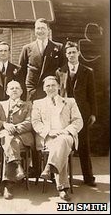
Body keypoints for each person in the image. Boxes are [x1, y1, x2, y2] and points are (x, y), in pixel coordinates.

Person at [32, 76, 83, 201]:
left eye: (53, 85)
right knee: (61, 147)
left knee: (62, 141)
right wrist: (49, 132)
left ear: (59, 87)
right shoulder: (38, 103)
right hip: (48, 138)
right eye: (48, 86)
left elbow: (78, 121)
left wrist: (65, 131)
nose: (51, 88)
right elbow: (35, 122)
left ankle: (49, 167)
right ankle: (62, 188)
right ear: (44, 89)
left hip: (67, 135)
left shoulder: (70, 101)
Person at [56, 41, 97, 186]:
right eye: (69, 53)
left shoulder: (87, 71)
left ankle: (88, 177)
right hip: (65, 114)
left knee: (84, 145)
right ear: (65, 55)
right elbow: (59, 94)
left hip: (83, 114)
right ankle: (64, 178)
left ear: (78, 53)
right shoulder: (60, 71)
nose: (71, 55)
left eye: (74, 52)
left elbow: (92, 94)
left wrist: (93, 113)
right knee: (65, 144)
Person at [0, 81, 34, 199]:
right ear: (7, 91)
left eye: (17, 88)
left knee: (7, 145)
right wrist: (4, 124)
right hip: (4, 133)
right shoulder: (0, 104)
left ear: (21, 91)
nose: (14, 90)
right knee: (8, 140)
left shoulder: (28, 105)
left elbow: (30, 122)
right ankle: (16, 168)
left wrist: (14, 128)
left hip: (22, 136)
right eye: (12, 88)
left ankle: (7, 185)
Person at [18, 18, 65, 101]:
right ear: (34, 30)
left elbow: (63, 70)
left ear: (48, 30)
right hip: (33, 90)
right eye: (38, 28)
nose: (40, 31)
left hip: (50, 89)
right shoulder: (27, 48)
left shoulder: (58, 48)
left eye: (43, 28)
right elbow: (21, 71)